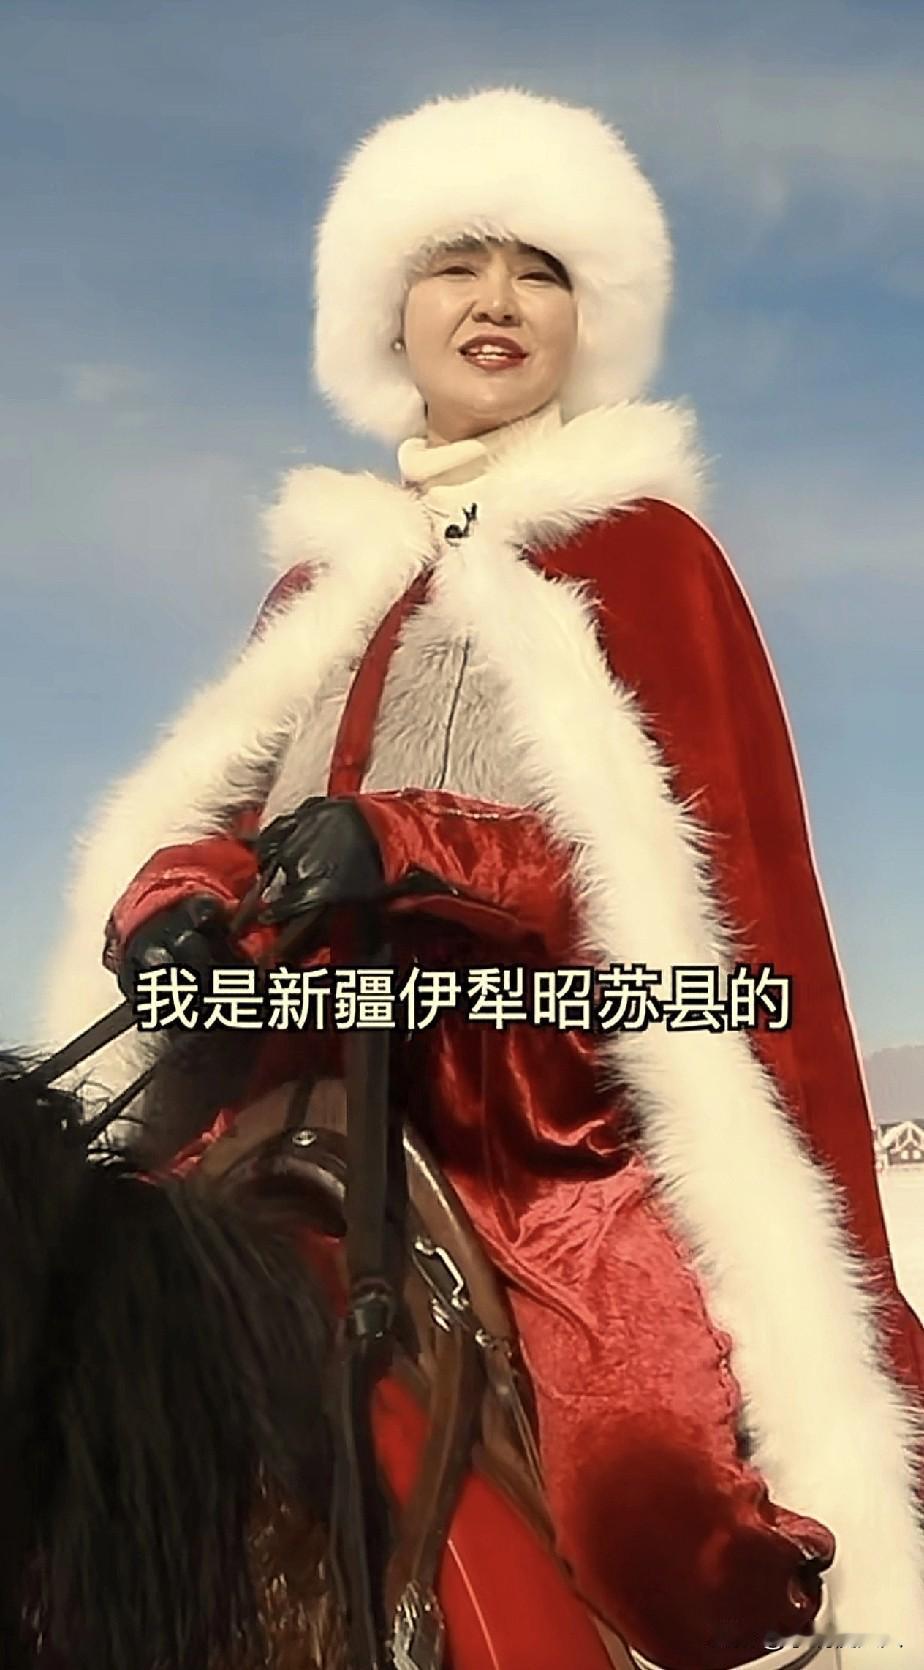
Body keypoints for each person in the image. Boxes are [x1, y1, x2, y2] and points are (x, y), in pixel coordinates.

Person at [42, 88, 924, 1668]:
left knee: (663, 1511)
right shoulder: (320, 583)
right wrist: (172, 901)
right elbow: (226, 819)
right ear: (389, 311)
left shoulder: (645, 552)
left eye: (543, 269)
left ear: (592, 318)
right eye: (456, 262)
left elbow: (684, 899)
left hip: (544, 1128)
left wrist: (413, 846)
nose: (498, 299)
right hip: (293, 1089)